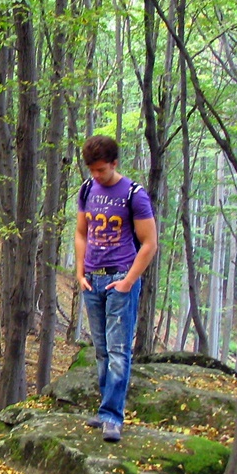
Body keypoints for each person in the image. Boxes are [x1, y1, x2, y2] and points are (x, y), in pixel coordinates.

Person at [74, 135, 158, 443]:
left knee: (119, 350)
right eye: (92, 170)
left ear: (114, 163)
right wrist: (80, 271)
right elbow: (81, 232)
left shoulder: (134, 194)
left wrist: (128, 281)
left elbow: (150, 243)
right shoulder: (87, 190)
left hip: (120, 276)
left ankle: (113, 416)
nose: (96, 175)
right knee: (101, 350)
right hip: (92, 279)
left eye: (101, 170)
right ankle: (104, 409)